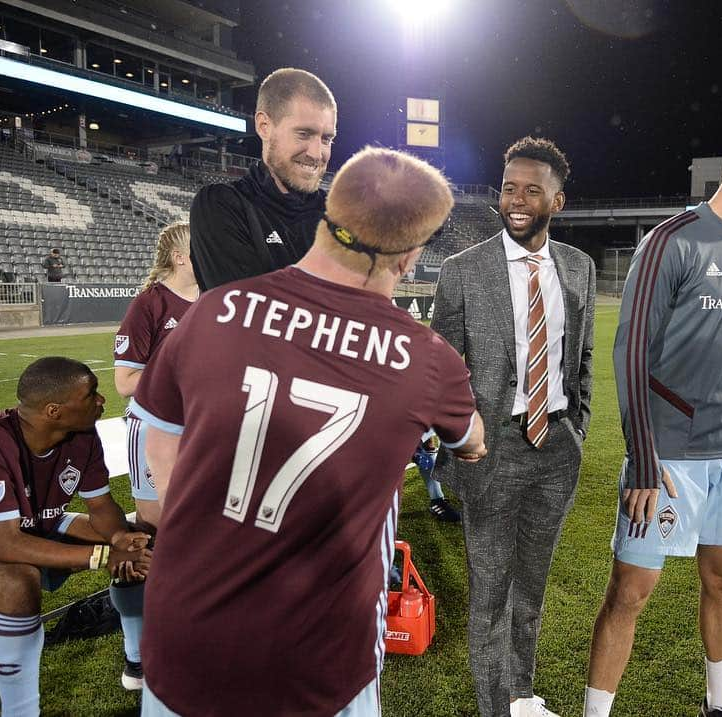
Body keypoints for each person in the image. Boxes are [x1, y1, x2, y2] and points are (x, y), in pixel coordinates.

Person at [130, 146, 486, 717]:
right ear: (410, 254)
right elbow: (470, 440)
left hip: (188, 630)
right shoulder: (428, 360)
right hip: (320, 652)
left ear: (325, 213)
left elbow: (161, 436)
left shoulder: (215, 310)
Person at [583, 125, 722, 717]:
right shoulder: (668, 242)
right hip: (667, 456)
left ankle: (719, 706)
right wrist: (646, 459)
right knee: (630, 592)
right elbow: (630, 354)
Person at [431, 136, 596, 717]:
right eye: (508, 188)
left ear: (559, 200)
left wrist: (577, 429)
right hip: (489, 450)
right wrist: (462, 437)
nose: (517, 200)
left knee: (531, 588)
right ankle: (493, 709)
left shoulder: (579, 267)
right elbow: (442, 370)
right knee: (490, 590)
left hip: (555, 446)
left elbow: (582, 363)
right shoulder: (461, 271)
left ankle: (522, 696)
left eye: (532, 190)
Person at [0, 357, 151, 716]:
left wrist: (121, 539)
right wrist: (104, 556)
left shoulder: (83, 436)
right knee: (16, 583)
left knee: (138, 541)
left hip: (35, 523)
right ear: (54, 410)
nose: (102, 400)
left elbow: (102, 507)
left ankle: (136, 664)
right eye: (91, 394)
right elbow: (6, 544)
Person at [109, 221, 198, 689]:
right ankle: (136, 656)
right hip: (153, 430)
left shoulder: (214, 296)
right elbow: (125, 382)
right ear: (182, 256)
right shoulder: (150, 305)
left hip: (202, 431)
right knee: (155, 536)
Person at [190, 68, 335, 291]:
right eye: (303, 134)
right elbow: (249, 316)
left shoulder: (340, 216)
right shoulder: (220, 205)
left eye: (326, 139)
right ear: (264, 126)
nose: (317, 154)